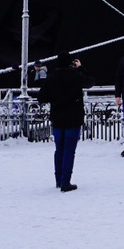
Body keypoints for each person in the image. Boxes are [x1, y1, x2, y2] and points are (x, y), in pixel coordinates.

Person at [35, 53, 87, 192]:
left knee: (59, 150)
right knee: (69, 150)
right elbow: (90, 81)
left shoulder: (52, 77)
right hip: (73, 117)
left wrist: (55, 98)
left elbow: (41, 97)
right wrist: (80, 68)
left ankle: (58, 180)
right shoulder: (76, 75)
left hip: (58, 118)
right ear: (71, 62)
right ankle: (65, 182)